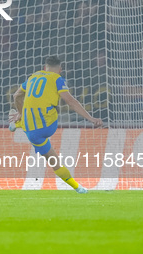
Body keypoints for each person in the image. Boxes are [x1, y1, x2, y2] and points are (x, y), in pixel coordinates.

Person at [9, 56, 102, 193]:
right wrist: (90, 118)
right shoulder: (57, 78)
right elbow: (70, 101)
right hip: (48, 126)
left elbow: (16, 96)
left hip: (32, 131)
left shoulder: (33, 76)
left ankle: (78, 188)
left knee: (54, 162)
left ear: (43, 68)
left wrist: (20, 112)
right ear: (60, 70)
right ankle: (19, 123)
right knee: (53, 110)